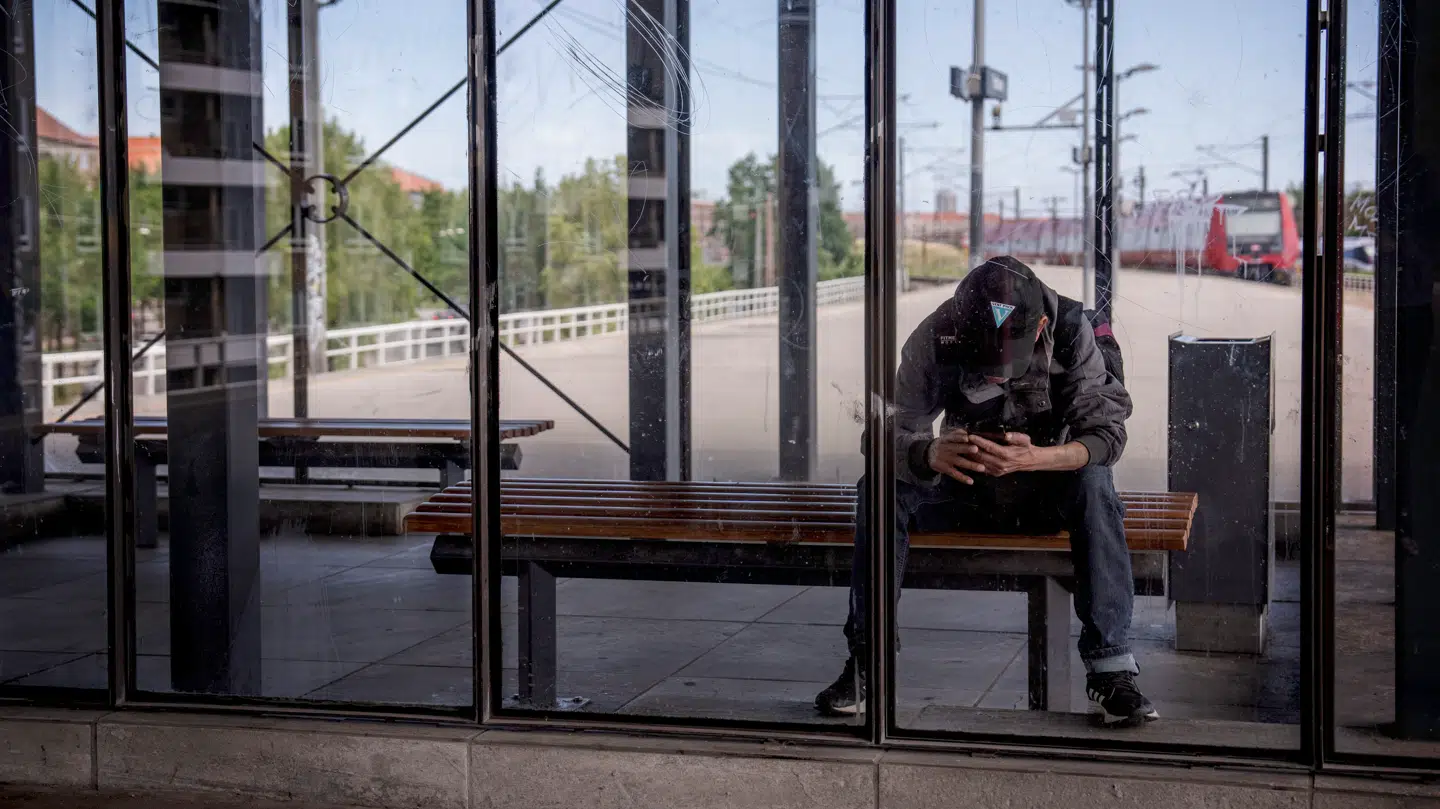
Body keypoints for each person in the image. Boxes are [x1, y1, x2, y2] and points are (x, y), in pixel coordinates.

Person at [814, 255, 1158, 727]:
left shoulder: (1076, 331)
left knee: (1095, 484)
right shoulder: (935, 334)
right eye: (983, 363)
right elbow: (882, 433)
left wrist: (1037, 458)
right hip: (964, 486)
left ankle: (1111, 669)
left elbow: (1106, 437)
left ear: (1039, 327)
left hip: (1046, 491)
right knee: (878, 488)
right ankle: (868, 662)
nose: (996, 376)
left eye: (1006, 365)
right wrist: (927, 453)